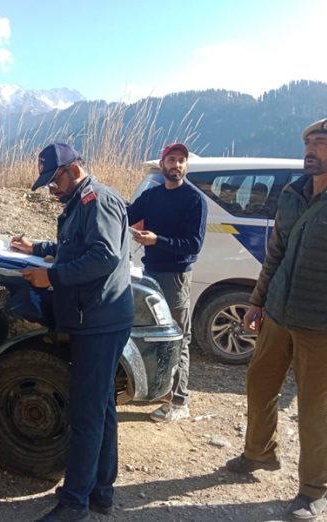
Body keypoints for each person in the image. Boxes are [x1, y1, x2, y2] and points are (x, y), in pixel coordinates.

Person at [225, 118, 327, 521]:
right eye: (309, 142)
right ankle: (259, 454)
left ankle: (314, 490)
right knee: (259, 386)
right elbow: (274, 253)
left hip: (325, 327)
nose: (310, 149)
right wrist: (257, 303)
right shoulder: (293, 193)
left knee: (313, 410)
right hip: (277, 315)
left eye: (322, 143)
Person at [10, 143, 134, 522]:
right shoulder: (82, 202)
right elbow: (76, 246)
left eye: (54, 180)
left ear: (73, 170)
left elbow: (104, 256)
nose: (51, 188)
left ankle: (74, 503)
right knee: (101, 409)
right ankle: (100, 491)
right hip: (94, 318)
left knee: (86, 413)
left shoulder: (97, 200)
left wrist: (52, 276)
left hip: (99, 321)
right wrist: (42, 249)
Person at [127, 143, 207, 422]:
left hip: (175, 276)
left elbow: (193, 245)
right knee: (155, 332)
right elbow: (127, 214)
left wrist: (157, 240)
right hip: (150, 271)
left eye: (182, 160)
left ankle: (179, 400)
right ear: (162, 164)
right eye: (172, 159)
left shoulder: (195, 200)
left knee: (178, 337)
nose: (177, 165)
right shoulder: (152, 196)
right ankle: (161, 388)